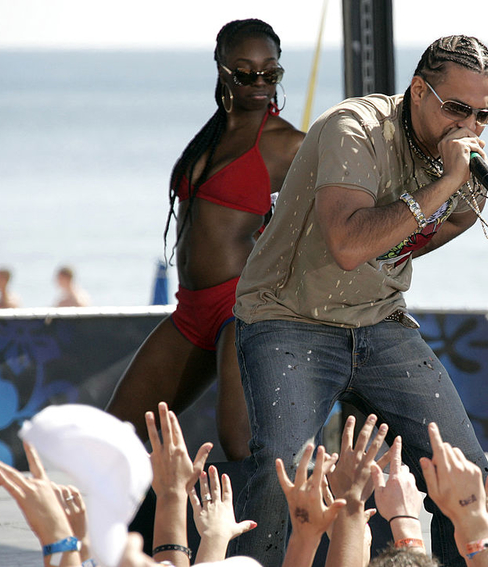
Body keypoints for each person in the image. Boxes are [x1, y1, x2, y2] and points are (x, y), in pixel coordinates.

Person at [231, 35, 488, 566]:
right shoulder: (354, 128)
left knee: (465, 468)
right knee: (283, 468)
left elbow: (464, 215)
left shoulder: (456, 149)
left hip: (379, 321)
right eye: (458, 109)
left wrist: (404, 237)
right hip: (288, 318)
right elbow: (351, 246)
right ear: (419, 91)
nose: (469, 126)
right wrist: (443, 185)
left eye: (485, 114)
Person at [105, 19, 304, 461]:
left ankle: (297, 530)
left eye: (270, 72)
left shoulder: (290, 145)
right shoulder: (212, 136)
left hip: (241, 307)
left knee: (241, 445)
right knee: (115, 435)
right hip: (191, 310)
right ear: (221, 69)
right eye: (244, 72)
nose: (259, 82)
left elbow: (340, 210)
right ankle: (127, 531)